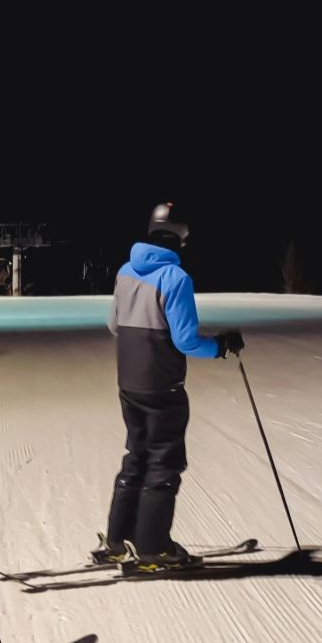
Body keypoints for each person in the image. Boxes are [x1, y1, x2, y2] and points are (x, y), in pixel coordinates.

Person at [94, 202, 244, 572]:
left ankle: (118, 541)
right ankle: (153, 547)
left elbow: (114, 325)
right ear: (179, 238)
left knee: (137, 456)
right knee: (164, 462)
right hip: (162, 385)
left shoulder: (126, 272)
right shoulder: (176, 279)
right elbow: (186, 341)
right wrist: (221, 346)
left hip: (129, 383)